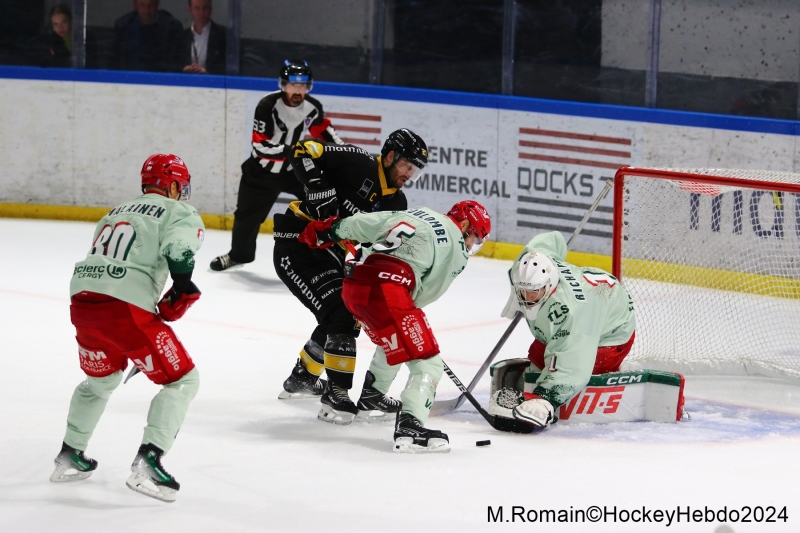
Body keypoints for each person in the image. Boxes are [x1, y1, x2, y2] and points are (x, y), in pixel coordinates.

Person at [50, 154, 205, 503]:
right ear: (175, 185)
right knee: (182, 381)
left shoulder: (117, 211)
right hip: (126, 308)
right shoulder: (179, 211)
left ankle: (70, 453)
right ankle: (149, 461)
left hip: (83, 301)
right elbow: (179, 249)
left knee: (100, 381)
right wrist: (181, 286)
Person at [299, 200, 491, 452]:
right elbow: (425, 293)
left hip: (355, 287)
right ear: (464, 224)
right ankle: (411, 426)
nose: (471, 246)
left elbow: (362, 223)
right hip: (387, 293)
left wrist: (325, 231)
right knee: (428, 362)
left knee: (395, 339)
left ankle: (373, 396)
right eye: (474, 238)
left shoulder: (420, 213)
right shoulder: (457, 249)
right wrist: (411, 321)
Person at [272, 129, 427, 426]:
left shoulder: (398, 204)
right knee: (340, 310)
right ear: (391, 157)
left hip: (331, 253)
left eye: (416, 170)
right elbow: (303, 150)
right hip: (298, 244)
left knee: (346, 310)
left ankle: (303, 377)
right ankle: (336, 393)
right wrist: (317, 184)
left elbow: (378, 248)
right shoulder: (357, 161)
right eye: (408, 166)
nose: (410, 174)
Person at [487, 231, 636, 429]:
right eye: (521, 290)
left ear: (548, 285)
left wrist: (544, 398)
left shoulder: (574, 313)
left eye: (533, 292)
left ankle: (603, 371)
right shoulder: (528, 262)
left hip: (610, 334)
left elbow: (573, 367)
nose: (526, 297)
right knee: (540, 356)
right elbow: (550, 240)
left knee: (583, 363)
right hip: (585, 306)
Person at [209, 60, 344, 272]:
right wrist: (290, 151)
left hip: (294, 172)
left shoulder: (313, 107)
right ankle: (239, 255)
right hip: (261, 172)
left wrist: (346, 153)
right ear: (283, 85)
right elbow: (259, 145)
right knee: (246, 216)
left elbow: (327, 134)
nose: (298, 90)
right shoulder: (267, 105)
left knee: (323, 206)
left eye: (303, 85)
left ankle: (330, 257)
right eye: (293, 85)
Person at [112, 0, 183, 72]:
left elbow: (176, 62)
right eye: (142, 5)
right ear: (135, 5)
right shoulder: (123, 27)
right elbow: (115, 61)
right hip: (131, 78)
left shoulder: (172, 28)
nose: (147, 10)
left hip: (162, 78)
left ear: (157, 5)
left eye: (151, 5)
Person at [180, 0, 226, 75]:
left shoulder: (223, 35)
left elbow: (228, 66)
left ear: (211, 9)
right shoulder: (182, 36)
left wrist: (207, 73)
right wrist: (185, 68)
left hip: (214, 84)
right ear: (190, 10)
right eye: (197, 8)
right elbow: (173, 63)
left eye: (205, 8)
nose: (201, 12)